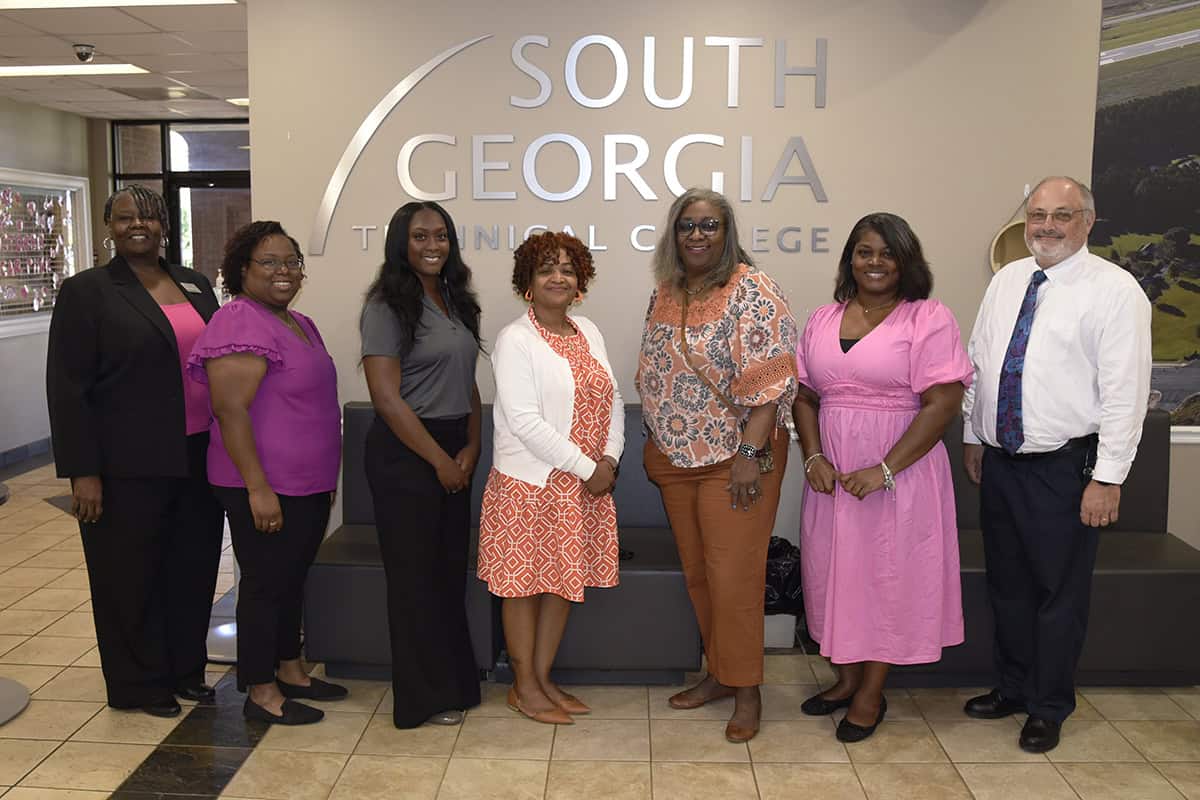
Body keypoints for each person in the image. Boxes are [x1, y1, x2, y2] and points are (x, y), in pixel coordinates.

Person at [961, 176, 1152, 753]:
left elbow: (1125, 394)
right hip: (1001, 462)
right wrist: (974, 432)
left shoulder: (1117, 292)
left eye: (1061, 214)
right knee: (1009, 588)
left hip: (1066, 470)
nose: (1045, 225)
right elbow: (982, 360)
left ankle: (1048, 706)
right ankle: (1013, 688)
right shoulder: (1007, 280)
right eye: (1037, 214)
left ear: (1088, 222)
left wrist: (1107, 478)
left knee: (1057, 596)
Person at [46, 185, 225, 717]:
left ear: (165, 224)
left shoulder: (192, 283)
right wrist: (83, 472)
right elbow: (68, 387)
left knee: (191, 568)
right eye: (124, 218)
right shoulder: (87, 291)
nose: (136, 226)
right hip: (125, 464)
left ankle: (184, 670)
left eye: (147, 216)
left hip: (197, 456)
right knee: (128, 574)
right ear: (108, 225)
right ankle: (138, 684)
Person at [792, 213, 972, 742]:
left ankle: (871, 694)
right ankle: (846, 680)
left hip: (900, 473)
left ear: (905, 261)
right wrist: (813, 456)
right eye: (865, 251)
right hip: (832, 475)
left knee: (888, 579)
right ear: (850, 258)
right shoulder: (823, 319)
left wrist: (885, 468)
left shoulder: (927, 318)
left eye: (887, 253)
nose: (875, 262)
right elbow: (803, 395)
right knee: (833, 573)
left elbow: (943, 403)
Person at [636, 188, 797, 743]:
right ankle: (719, 674)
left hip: (737, 459)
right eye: (687, 226)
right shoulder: (666, 291)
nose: (697, 235)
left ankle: (747, 689)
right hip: (676, 457)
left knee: (736, 579)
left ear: (727, 234)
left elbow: (771, 383)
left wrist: (751, 455)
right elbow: (654, 370)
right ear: (673, 234)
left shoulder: (752, 288)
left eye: (709, 226)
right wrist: (651, 434)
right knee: (700, 574)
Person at [188, 220, 346, 726]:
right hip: (263, 484)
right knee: (263, 585)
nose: (284, 271)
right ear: (242, 270)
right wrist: (258, 488)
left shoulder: (299, 322)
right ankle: (260, 690)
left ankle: (291, 669)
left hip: (307, 483)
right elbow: (230, 412)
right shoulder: (239, 319)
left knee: (290, 579)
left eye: (291, 262)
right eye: (269, 262)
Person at [478, 231, 624, 725]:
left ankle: (539, 681)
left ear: (580, 280)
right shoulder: (515, 338)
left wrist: (611, 459)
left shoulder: (589, 332)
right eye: (546, 269)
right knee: (522, 589)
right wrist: (590, 468)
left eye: (567, 269)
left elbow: (613, 399)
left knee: (563, 587)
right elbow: (523, 420)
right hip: (530, 486)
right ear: (528, 282)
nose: (558, 277)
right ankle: (523, 685)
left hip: (584, 488)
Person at [360, 202, 484, 729]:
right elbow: (387, 399)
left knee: (446, 572)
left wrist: (472, 447)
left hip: (455, 446)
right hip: (407, 453)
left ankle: (454, 684)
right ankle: (420, 699)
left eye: (441, 235)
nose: (432, 245)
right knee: (414, 581)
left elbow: (469, 383)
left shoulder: (457, 300)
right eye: (419, 236)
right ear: (399, 243)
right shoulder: (387, 305)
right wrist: (439, 461)